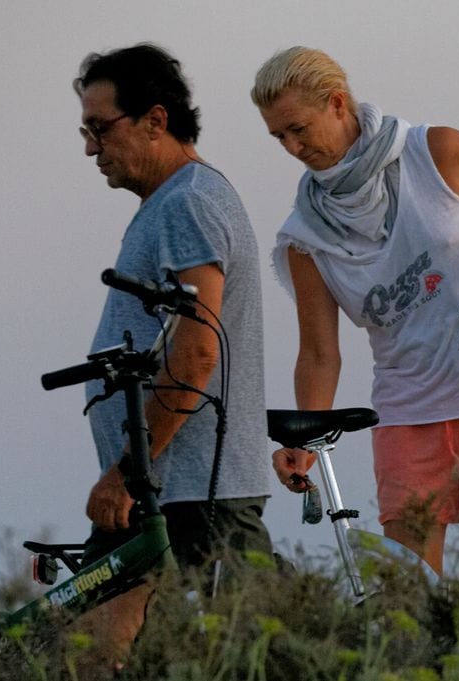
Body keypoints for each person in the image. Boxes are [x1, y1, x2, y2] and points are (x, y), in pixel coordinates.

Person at [251, 47, 459, 575]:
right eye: (278, 137)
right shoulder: (304, 238)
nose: (292, 147)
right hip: (408, 411)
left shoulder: (435, 153)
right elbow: (319, 352)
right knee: (410, 594)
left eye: (298, 128)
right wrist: (302, 440)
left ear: (337, 104)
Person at [73, 42, 272, 672]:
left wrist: (128, 471)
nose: (89, 147)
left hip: (188, 492)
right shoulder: (174, 203)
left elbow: (195, 354)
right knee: (94, 654)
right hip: (161, 490)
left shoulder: (187, 203)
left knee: (242, 660)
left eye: (99, 128)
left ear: (155, 121)